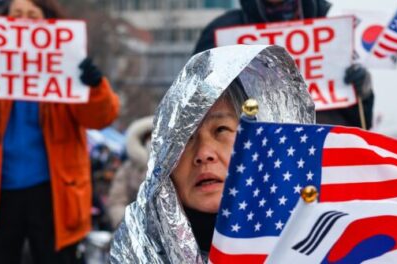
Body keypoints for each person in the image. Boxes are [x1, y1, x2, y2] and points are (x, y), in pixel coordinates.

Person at [110, 45, 315, 262]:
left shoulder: (314, 241)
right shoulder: (136, 253)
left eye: (221, 130)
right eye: (185, 139)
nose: (204, 153)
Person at [0, 0, 120, 263]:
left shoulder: (67, 64)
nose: (25, 20)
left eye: (32, 15)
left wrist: (95, 87)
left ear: (48, 23)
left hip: (54, 193)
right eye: (17, 14)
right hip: (1, 192)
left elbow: (102, 118)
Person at [193, 0, 375, 130]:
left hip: (322, 154)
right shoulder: (221, 33)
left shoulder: (335, 24)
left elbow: (360, 122)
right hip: (253, 154)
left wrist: (361, 92)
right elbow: (195, 102)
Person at [107, 115, 154, 229]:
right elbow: (117, 201)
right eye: (148, 137)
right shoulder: (128, 169)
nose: (151, 141)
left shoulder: (176, 166)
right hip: (134, 229)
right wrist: (128, 224)